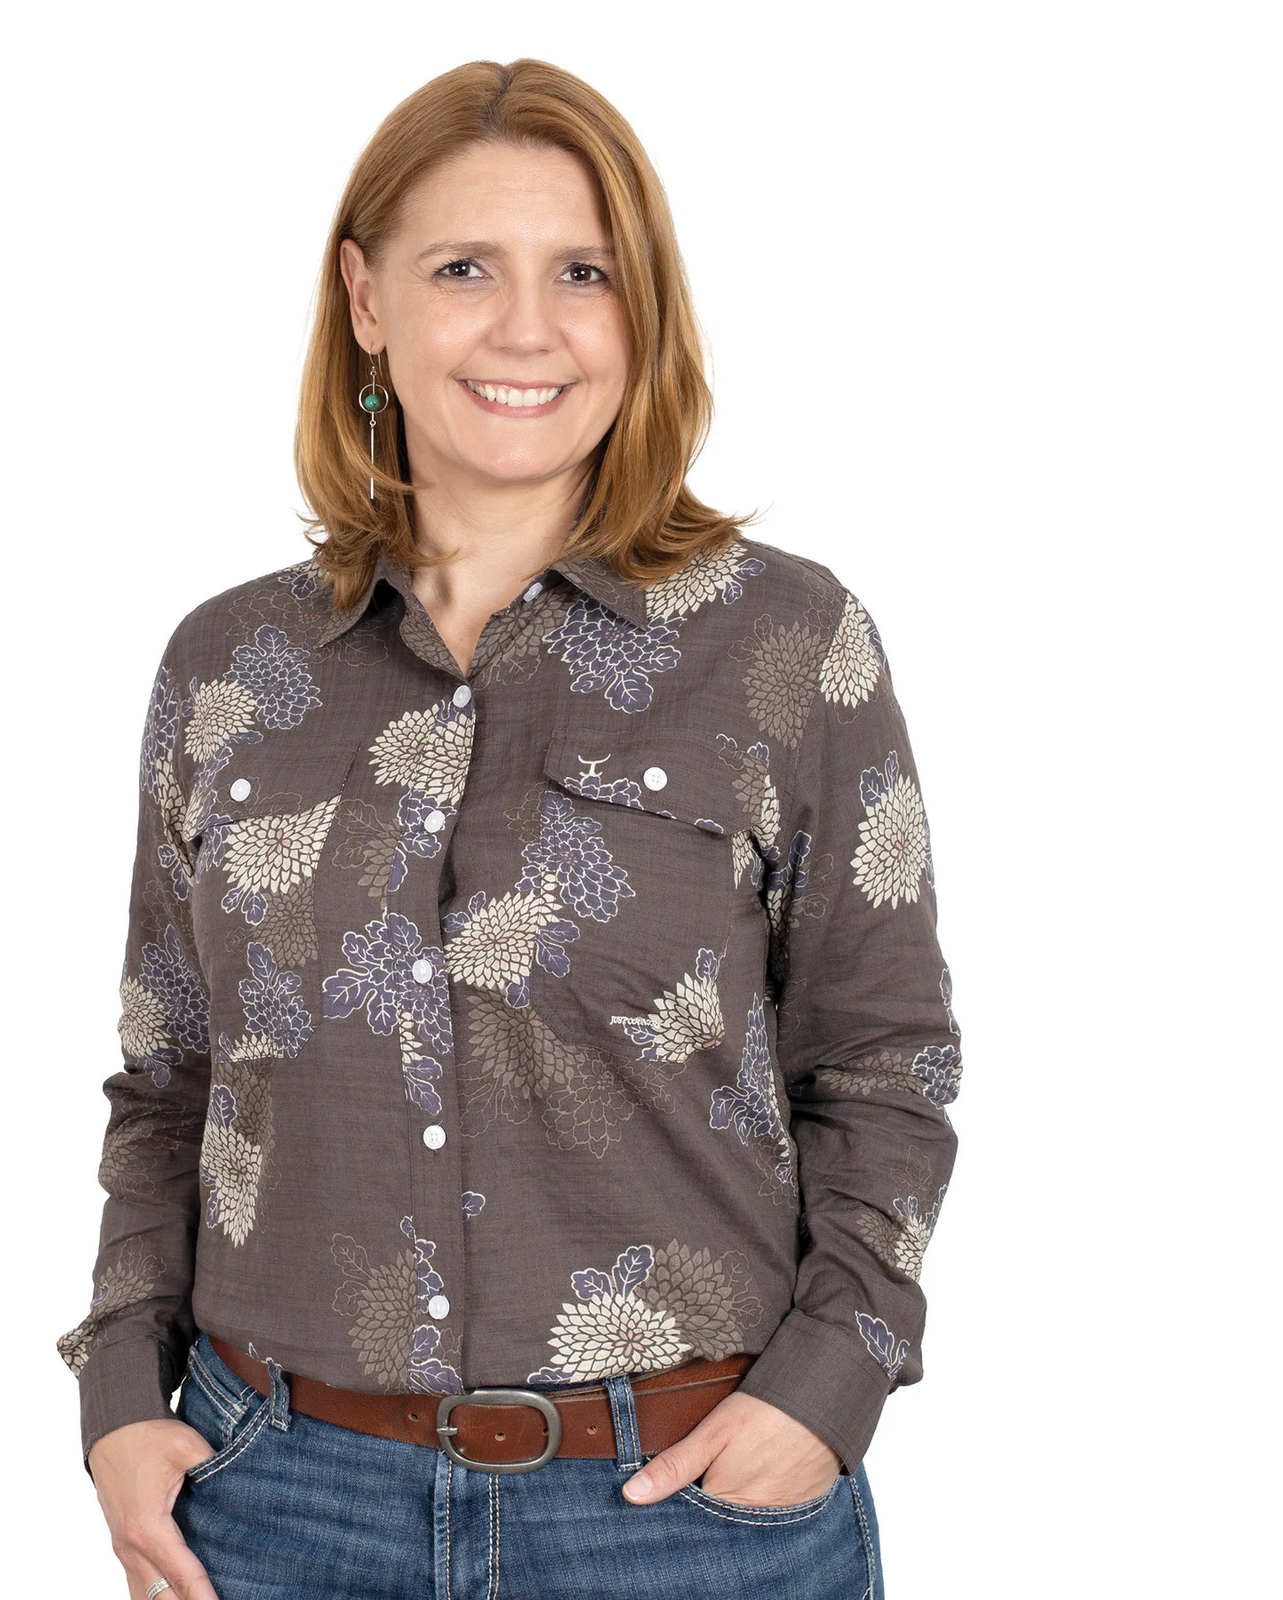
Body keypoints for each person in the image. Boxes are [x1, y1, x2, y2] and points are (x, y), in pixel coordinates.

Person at [58, 56, 960, 1600]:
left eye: (584, 273)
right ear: (366, 299)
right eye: (464, 269)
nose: (528, 328)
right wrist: (121, 1400)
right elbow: (167, 1084)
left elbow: (884, 1065)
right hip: (274, 1502)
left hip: (683, 1511)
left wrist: (828, 1390)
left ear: (641, 310)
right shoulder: (228, 669)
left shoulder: (787, 646)